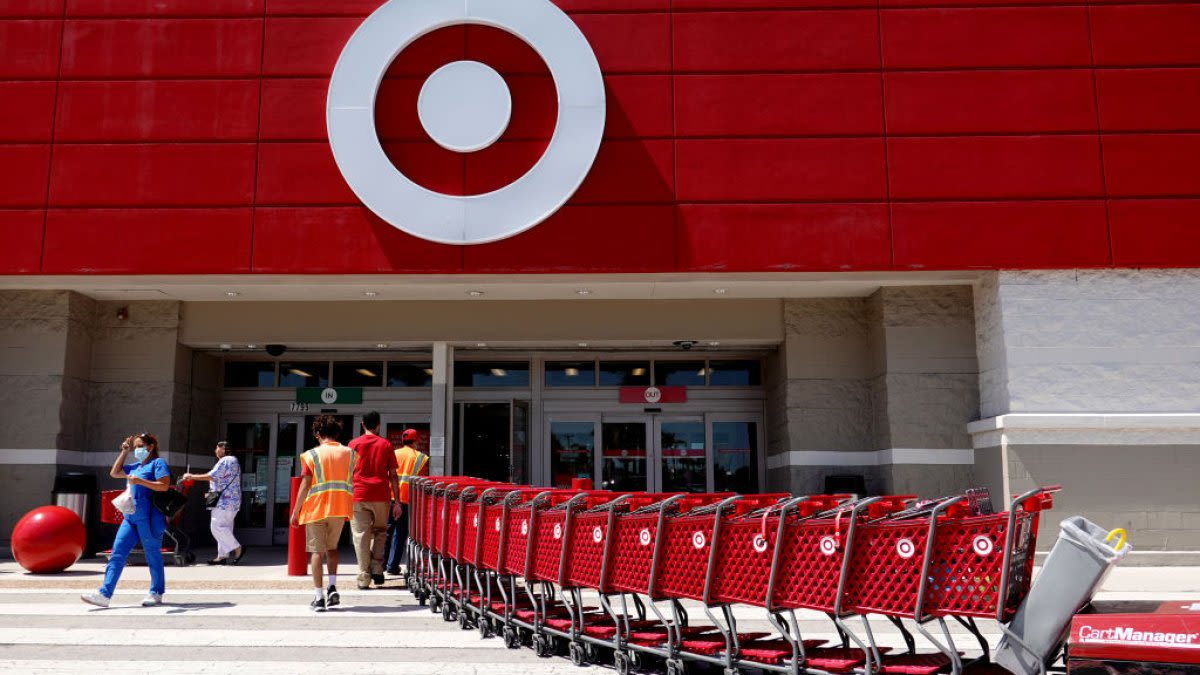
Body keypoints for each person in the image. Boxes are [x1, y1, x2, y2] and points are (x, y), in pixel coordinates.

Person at [82, 433, 171, 608]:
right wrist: (124, 452)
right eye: (135, 447)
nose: (136, 450)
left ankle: (156, 592)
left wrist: (141, 481)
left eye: (139, 446)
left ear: (150, 447)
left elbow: (164, 486)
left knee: (152, 555)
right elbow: (115, 472)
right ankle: (104, 594)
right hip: (130, 518)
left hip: (150, 518)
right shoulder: (136, 466)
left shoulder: (157, 464)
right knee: (117, 553)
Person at [290, 415, 355, 612]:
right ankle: (333, 586)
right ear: (336, 433)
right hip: (339, 507)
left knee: (317, 552)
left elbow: (305, 484)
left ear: (318, 434)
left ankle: (319, 598)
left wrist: (295, 511)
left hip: (316, 508)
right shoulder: (350, 453)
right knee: (332, 548)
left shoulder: (312, 455)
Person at [347, 411, 401, 589]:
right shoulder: (385, 445)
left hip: (359, 494)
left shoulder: (353, 444)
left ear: (362, 424)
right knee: (380, 532)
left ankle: (364, 576)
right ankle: (377, 569)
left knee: (361, 536)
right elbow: (393, 475)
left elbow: (347, 474)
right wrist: (397, 501)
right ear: (378, 425)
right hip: (381, 495)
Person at [182, 441, 244, 565]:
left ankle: (238, 548)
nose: (215, 450)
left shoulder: (226, 460)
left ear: (223, 448)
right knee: (225, 528)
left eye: (217, 447)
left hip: (224, 501)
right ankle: (222, 556)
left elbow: (212, 476)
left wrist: (191, 476)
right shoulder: (233, 461)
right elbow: (222, 480)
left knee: (216, 526)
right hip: (232, 500)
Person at [385, 428, 428, 576]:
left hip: (390, 498)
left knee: (387, 532)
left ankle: (380, 565)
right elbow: (422, 481)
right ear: (416, 441)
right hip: (407, 500)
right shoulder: (420, 458)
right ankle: (392, 566)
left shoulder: (394, 453)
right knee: (400, 533)